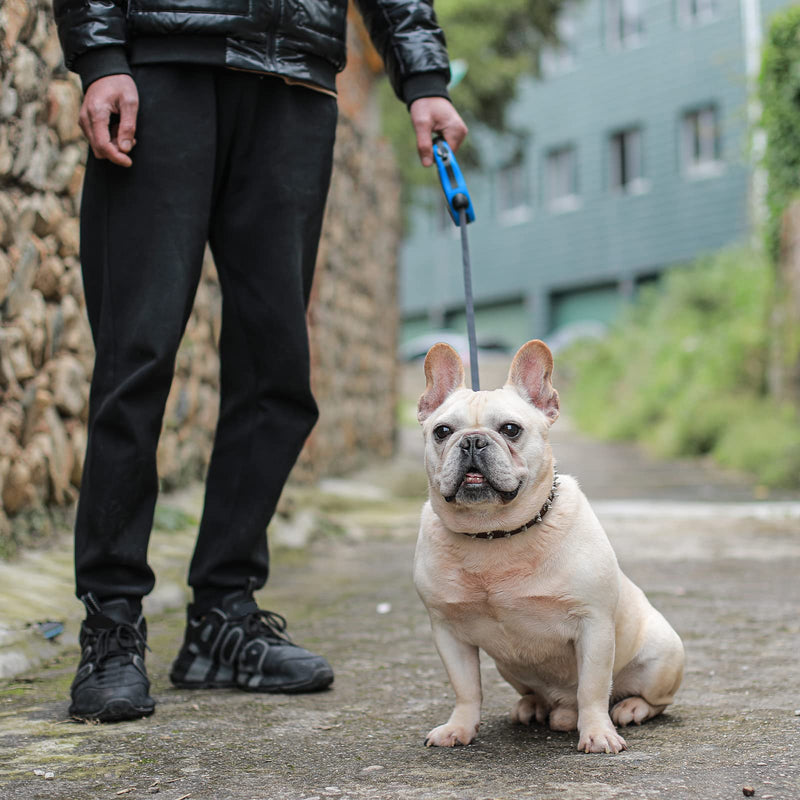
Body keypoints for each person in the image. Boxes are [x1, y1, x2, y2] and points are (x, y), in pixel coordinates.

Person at [53, 0, 467, 722]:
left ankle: (222, 617)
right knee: (137, 358)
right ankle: (111, 626)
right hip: (161, 59)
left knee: (276, 372)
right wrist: (100, 56)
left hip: (293, 79)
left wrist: (423, 74)